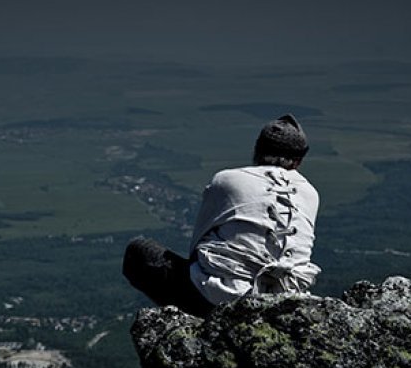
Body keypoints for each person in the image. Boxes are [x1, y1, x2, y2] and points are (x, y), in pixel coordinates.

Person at [122, 114, 320, 317]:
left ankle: (194, 323)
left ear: (258, 150)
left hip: (222, 301)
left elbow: (198, 246)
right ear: (298, 161)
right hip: (287, 304)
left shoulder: (227, 180)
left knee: (139, 252)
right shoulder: (311, 194)